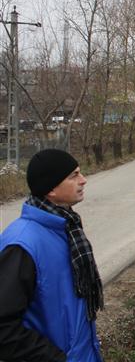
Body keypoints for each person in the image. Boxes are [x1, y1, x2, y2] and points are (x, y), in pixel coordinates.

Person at [0, 148, 103, 361]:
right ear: (51, 189)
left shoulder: (67, 230)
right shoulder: (22, 244)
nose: (83, 180)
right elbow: (4, 328)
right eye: (74, 175)